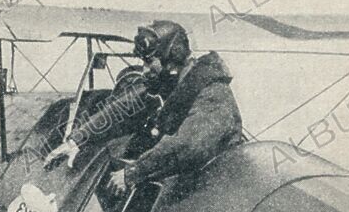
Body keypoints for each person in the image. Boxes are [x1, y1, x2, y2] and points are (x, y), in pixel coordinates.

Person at [44, 20, 242, 194]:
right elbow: (125, 108)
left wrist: (133, 173)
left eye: (149, 62)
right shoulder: (171, 82)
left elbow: (189, 146)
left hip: (216, 190)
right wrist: (77, 140)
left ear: (171, 60)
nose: (145, 70)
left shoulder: (213, 94)